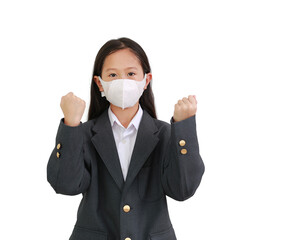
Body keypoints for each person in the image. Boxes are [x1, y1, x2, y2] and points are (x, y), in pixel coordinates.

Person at [47, 37, 205, 240]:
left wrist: (183, 129)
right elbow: (65, 185)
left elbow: (182, 190)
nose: (123, 82)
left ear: (146, 80)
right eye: (112, 75)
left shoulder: (165, 135)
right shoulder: (84, 134)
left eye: (131, 74)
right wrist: (71, 125)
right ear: (99, 83)